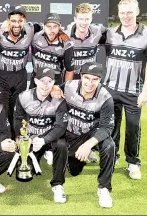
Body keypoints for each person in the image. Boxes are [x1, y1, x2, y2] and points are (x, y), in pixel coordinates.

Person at [103, 0, 147, 179]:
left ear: (137, 12)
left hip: (134, 91)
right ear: (117, 14)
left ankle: (132, 162)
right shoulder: (109, 33)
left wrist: (146, 90)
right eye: (122, 13)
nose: (126, 16)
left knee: (133, 128)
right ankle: (113, 156)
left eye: (130, 12)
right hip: (110, 90)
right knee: (112, 126)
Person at [53, 61, 116, 208]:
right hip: (68, 133)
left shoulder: (106, 98)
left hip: (88, 134)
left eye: (95, 79)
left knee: (109, 145)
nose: (90, 83)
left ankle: (104, 188)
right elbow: (54, 89)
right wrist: (55, 88)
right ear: (81, 76)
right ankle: (57, 185)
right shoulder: (69, 86)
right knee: (73, 169)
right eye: (87, 78)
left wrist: (88, 145)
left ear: (100, 79)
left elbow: (107, 127)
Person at [13, 67, 68, 203]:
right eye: (42, 80)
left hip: (50, 137)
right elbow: (17, 120)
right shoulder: (23, 97)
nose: (45, 85)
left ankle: (58, 184)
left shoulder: (60, 100)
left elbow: (61, 126)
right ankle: (36, 156)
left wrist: (44, 140)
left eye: (49, 81)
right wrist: (22, 140)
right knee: (26, 172)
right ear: (35, 81)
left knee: (62, 145)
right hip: (31, 138)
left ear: (54, 82)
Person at [65, 3, 108, 163]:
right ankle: (68, 146)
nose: (84, 22)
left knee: (90, 116)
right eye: (81, 19)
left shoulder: (97, 31)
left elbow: (113, 33)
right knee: (71, 115)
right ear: (75, 18)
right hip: (73, 79)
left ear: (91, 18)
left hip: (90, 81)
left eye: (87, 19)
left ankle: (88, 147)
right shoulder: (66, 34)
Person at [0, 5, 35, 139]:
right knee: (2, 110)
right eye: (13, 21)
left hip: (20, 76)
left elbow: (45, 29)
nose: (17, 24)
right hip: (2, 76)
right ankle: (4, 142)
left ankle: (17, 141)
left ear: (25, 21)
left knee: (17, 111)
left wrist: (62, 34)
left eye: (20, 21)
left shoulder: (31, 29)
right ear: (8, 21)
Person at [30, 13, 74, 87]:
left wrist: (66, 88)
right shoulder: (35, 36)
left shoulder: (66, 44)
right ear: (43, 26)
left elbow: (69, 70)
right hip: (36, 79)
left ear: (59, 27)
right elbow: (21, 27)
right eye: (48, 26)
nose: (51, 30)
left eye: (55, 27)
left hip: (55, 82)